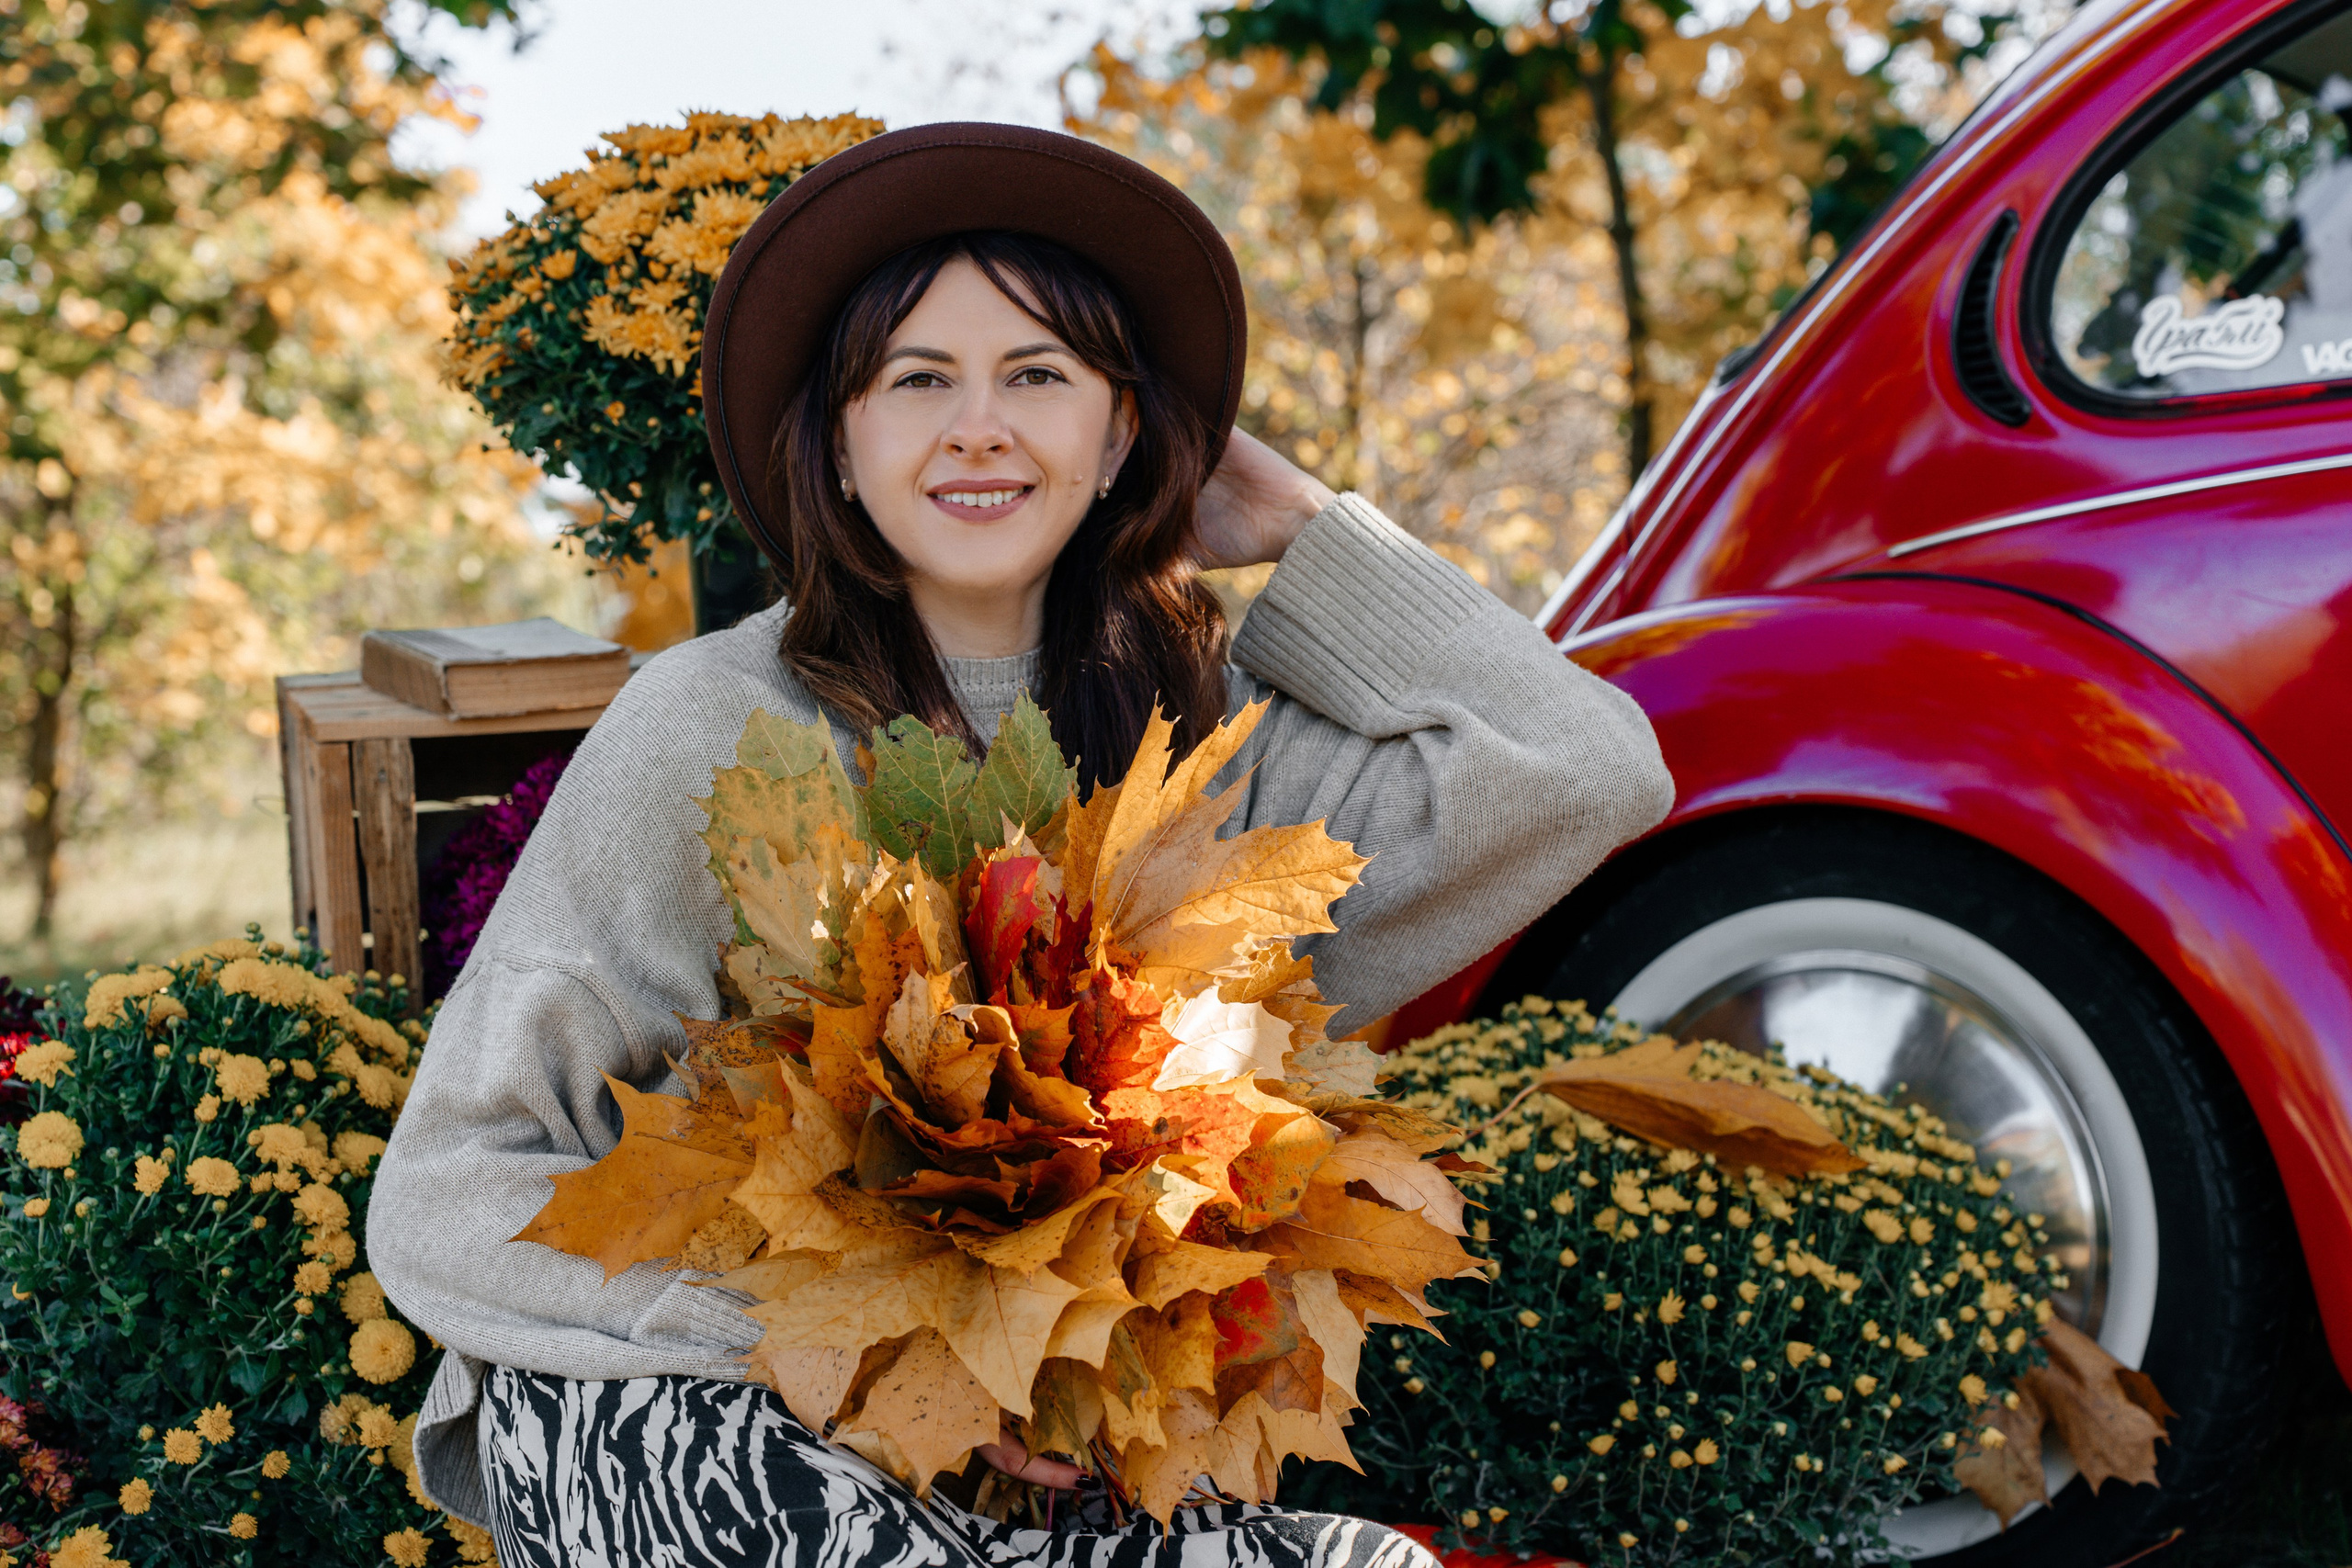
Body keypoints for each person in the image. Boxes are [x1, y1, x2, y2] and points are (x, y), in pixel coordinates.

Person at [369, 122, 1674, 1568]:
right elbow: (444, 1190)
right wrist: (824, 1346)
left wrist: (1308, 529)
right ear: (842, 448)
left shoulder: (1216, 748)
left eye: (1039, 377)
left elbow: (1590, 769)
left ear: (1121, 436)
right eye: (916, 381)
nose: (978, 428)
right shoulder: (713, 728)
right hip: (702, 1414)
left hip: (1048, 1447)